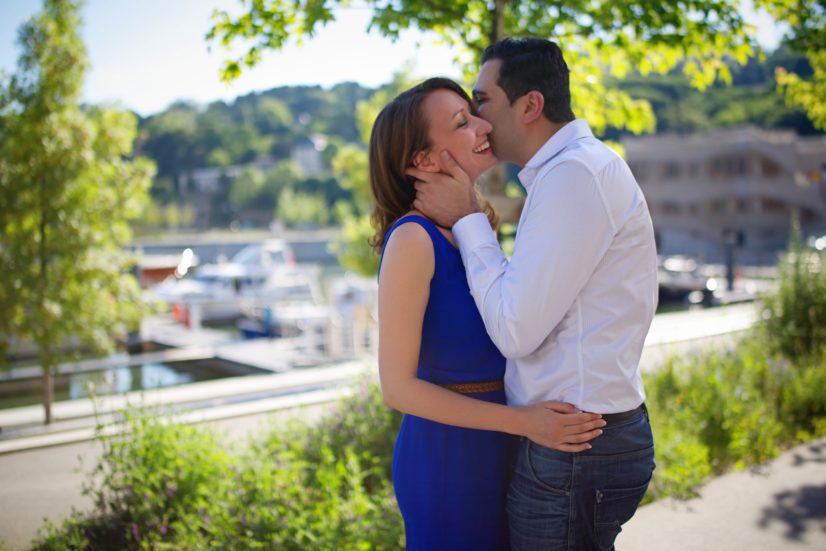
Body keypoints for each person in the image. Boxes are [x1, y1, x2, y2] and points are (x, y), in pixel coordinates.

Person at [409, 38, 659, 550]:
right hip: (577, 437)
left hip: (574, 445)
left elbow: (515, 331)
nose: (477, 118)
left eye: (482, 101)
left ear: (529, 106)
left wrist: (470, 217)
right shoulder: (567, 173)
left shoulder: (573, 176)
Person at [371, 77, 606, 551]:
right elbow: (397, 388)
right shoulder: (413, 239)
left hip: (503, 448)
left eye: (473, 113)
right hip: (448, 460)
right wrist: (526, 422)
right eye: (462, 122)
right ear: (423, 161)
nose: (483, 125)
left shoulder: (474, 226)